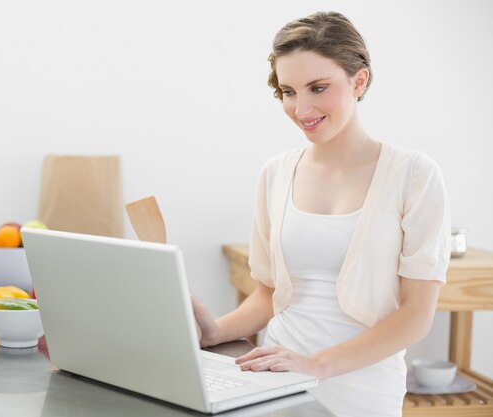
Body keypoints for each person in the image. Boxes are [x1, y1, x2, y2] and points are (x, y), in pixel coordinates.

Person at [192, 11, 451, 417]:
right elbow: (270, 292)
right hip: (275, 379)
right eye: (288, 91)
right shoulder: (276, 172)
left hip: (361, 390)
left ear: (359, 80)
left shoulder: (413, 174)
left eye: (318, 87)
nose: (301, 107)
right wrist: (216, 331)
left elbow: (416, 316)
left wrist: (316, 365)